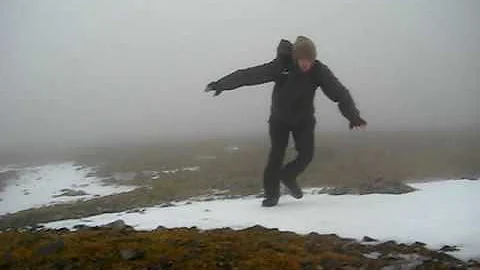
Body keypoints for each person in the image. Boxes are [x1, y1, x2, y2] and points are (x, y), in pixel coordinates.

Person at [205, 36, 367, 207]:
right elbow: (249, 75)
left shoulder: (319, 71)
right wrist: (221, 84)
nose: (306, 64)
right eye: (302, 60)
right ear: (295, 58)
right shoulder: (281, 67)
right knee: (276, 156)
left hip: (304, 120)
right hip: (279, 120)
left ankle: (288, 175)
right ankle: (271, 196)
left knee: (306, 155)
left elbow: (339, 94)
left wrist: (353, 116)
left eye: (309, 60)